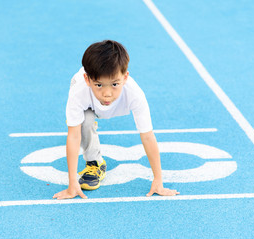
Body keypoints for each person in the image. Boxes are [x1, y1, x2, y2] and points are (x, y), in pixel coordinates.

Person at [53, 40, 180, 199]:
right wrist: (72, 183)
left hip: (104, 101)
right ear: (87, 80)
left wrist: (158, 180)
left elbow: (147, 136)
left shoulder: (135, 94)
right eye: (99, 85)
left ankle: (93, 119)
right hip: (88, 104)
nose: (107, 94)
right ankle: (95, 162)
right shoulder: (79, 91)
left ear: (125, 77)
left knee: (88, 120)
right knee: (84, 123)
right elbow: (73, 135)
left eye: (114, 84)